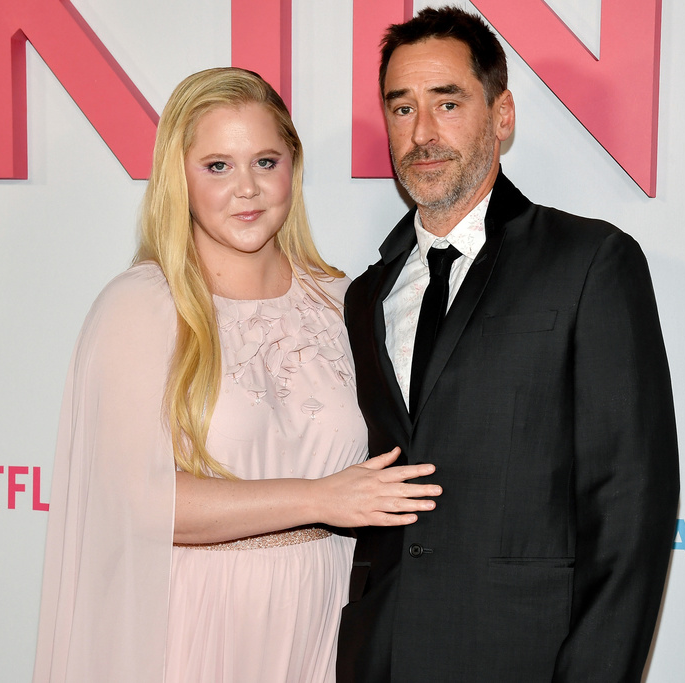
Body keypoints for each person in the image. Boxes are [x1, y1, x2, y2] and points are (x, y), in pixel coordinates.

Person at [32, 67, 441, 683]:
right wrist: (321, 498)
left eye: (266, 162)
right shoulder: (143, 304)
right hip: (197, 619)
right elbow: (136, 501)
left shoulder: (347, 303)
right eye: (217, 166)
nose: (246, 189)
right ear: (180, 176)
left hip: (328, 619)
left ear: (293, 171)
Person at [337, 7, 680, 682]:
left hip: (525, 658)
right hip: (382, 656)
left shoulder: (590, 263)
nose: (423, 133)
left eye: (448, 102)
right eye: (401, 109)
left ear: (502, 116)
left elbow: (630, 498)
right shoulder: (367, 295)